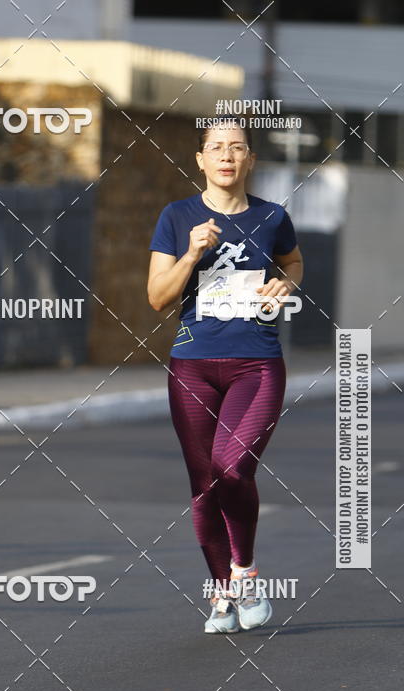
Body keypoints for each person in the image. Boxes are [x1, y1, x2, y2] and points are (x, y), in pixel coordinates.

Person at [147, 117, 303, 634]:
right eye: (216, 147)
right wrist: (192, 251)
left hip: (256, 363)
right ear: (200, 159)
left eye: (237, 147)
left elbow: (293, 261)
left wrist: (285, 283)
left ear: (251, 160)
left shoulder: (272, 216)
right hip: (192, 365)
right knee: (203, 484)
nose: (227, 155)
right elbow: (157, 298)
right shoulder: (177, 216)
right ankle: (221, 596)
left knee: (232, 468)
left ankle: (245, 574)